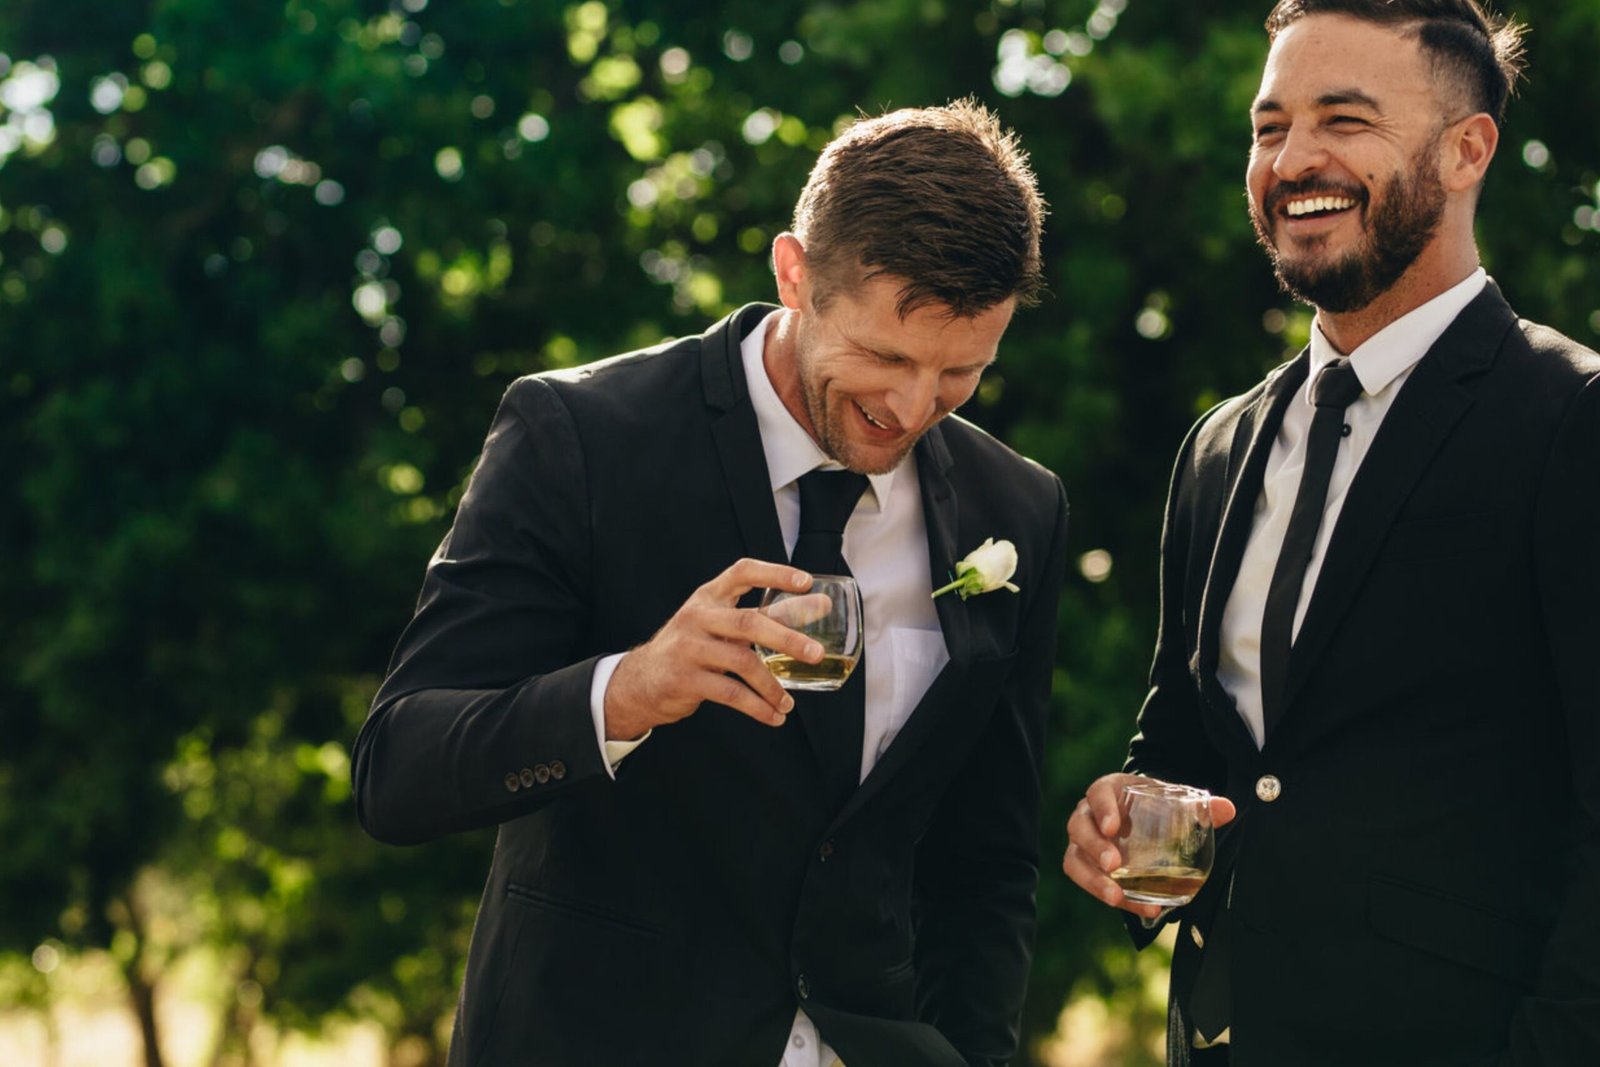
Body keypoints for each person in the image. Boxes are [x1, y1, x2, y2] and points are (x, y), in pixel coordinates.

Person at [353, 99, 1069, 1067]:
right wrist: (627, 689)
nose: (910, 409)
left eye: (958, 374)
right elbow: (398, 768)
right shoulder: (579, 439)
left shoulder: (1016, 507)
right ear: (794, 274)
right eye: (886, 356)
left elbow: (986, 864)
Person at [1062, 2, 1599, 1064]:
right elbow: (1188, 750)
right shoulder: (1217, 447)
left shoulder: (1572, 420)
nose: (1292, 159)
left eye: (1342, 120)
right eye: (1269, 128)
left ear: (1465, 149)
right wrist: (1125, 812)